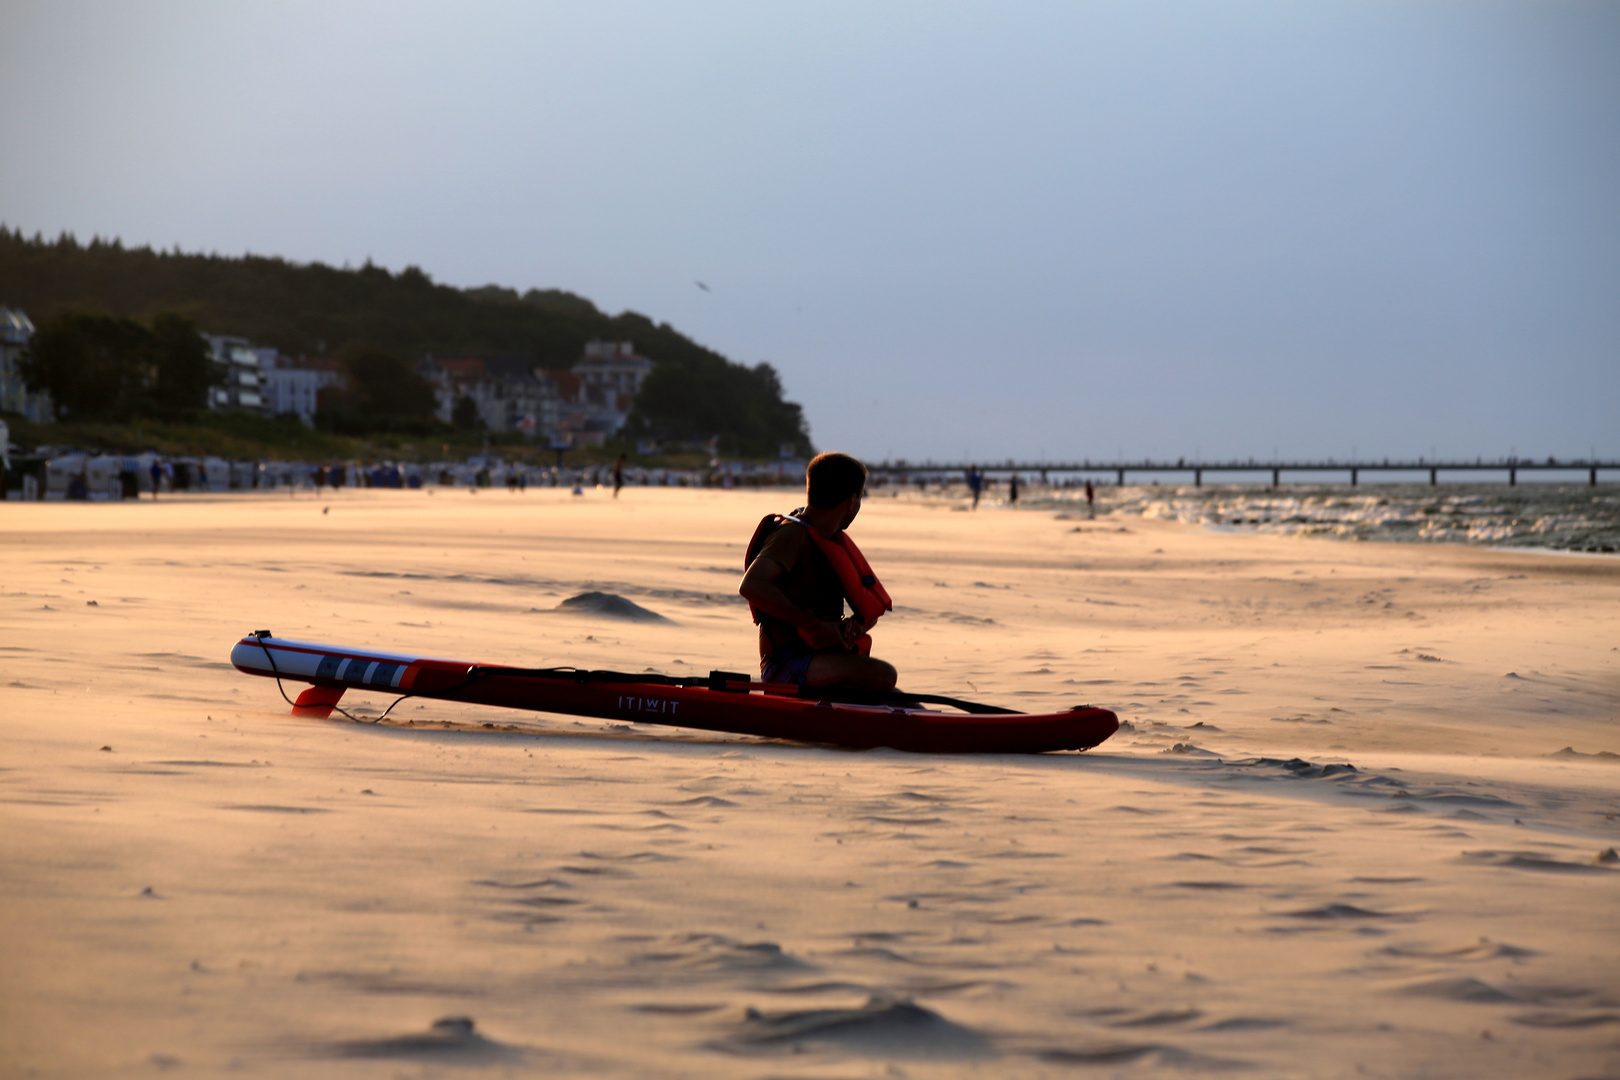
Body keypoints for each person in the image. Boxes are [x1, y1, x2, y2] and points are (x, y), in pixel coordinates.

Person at [739, 452, 897, 691]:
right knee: (885, 675)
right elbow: (752, 585)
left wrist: (855, 628)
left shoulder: (830, 541)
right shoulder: (793, 534)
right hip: (786, 664)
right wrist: (814, 626)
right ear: (851, 501)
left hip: (820, 658)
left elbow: (869, 610)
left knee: (896, 697)